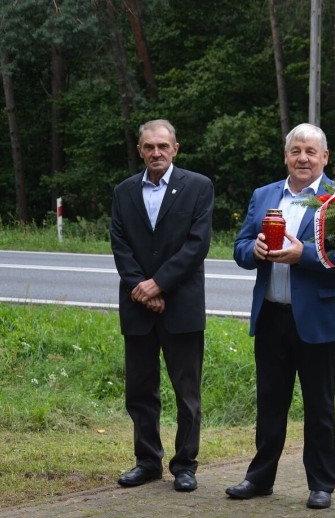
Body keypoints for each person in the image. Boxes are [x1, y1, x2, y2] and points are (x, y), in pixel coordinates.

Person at [226, 123, 335, 509]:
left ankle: (321, 484)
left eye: (311, 151)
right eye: (295, 151)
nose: (302, 158)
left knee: (319, 406)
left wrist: (303, 255)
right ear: (286, 156)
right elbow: (238, 247)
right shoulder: (264, 194)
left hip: (319, 319)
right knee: (270, 402)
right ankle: (259, 479)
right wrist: (252, 250)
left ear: (324, 157)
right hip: (272, 315)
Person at [110, 119, 214, 492]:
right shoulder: (124, 192)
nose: (156, 152)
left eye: (163, 146)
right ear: (140, 150)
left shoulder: (199, 187)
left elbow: (197, 245)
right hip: (137, 304)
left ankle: (185, 464)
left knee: (186, 393)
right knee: (140, 389)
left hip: (181, 305)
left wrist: (158, 283)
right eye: (149, 147)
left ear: (175, 149)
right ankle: (147, 461)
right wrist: (142, 287)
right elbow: (120, 244)